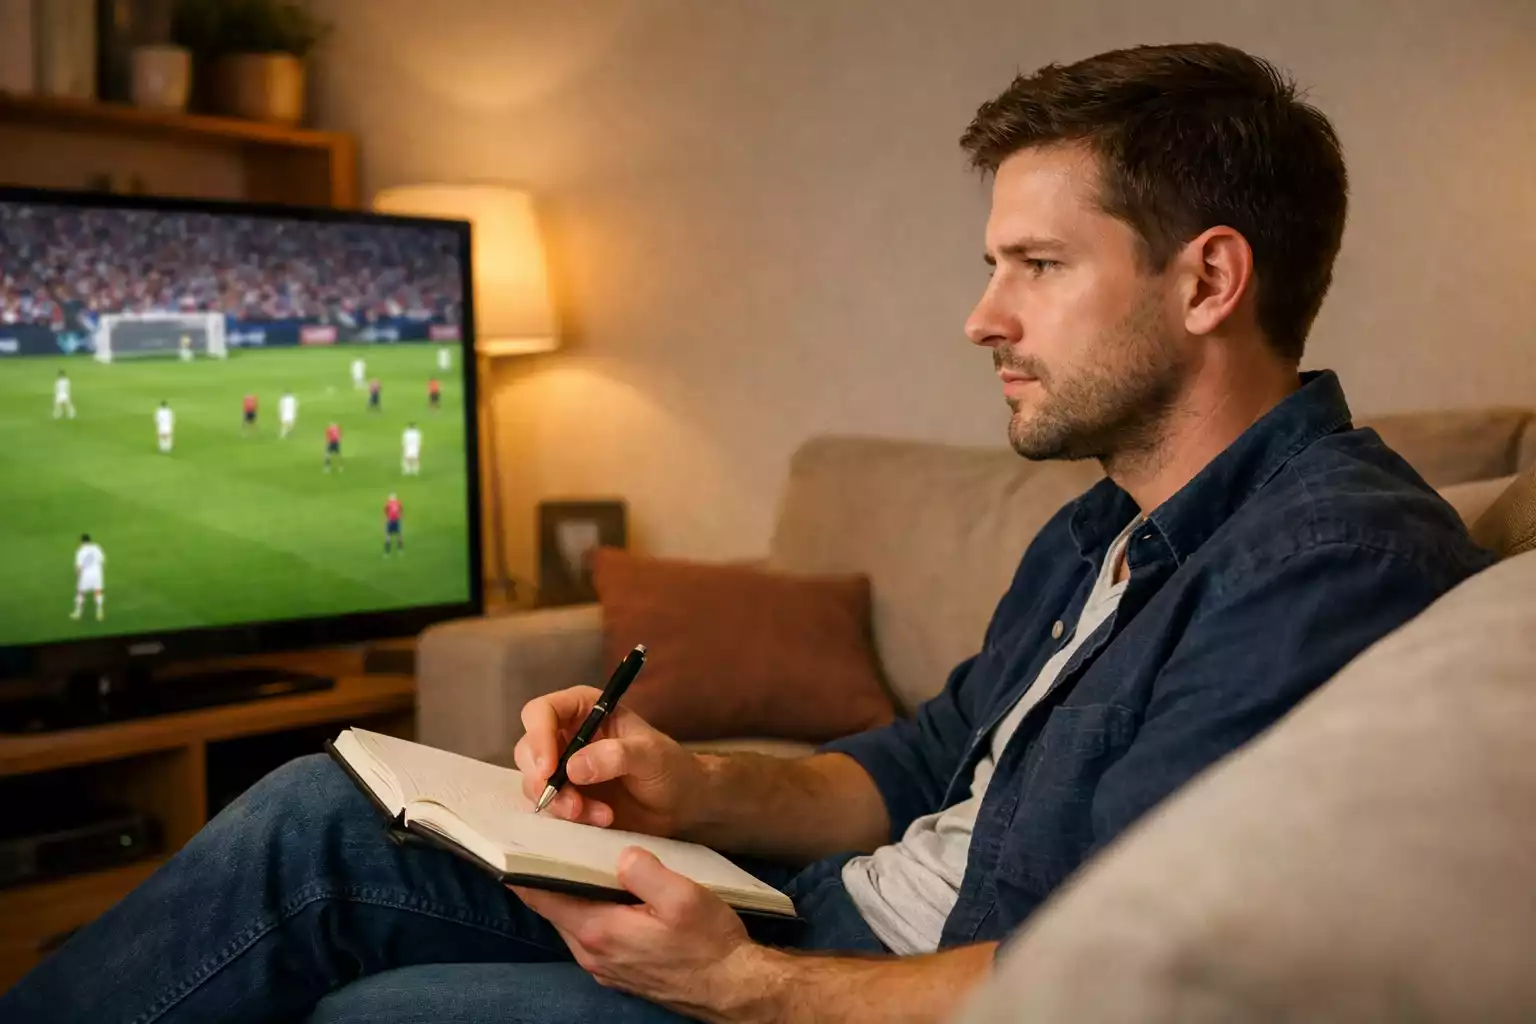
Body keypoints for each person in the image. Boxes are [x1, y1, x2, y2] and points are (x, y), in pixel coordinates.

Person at [0, 43, 1497, 1024]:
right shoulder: (1104, 524)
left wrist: (745, 985)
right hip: (805, 919)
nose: (982, 317)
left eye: (1037, 265)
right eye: (993, 264)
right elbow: (909, 769)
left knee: (373, 1010)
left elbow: (1102, 974)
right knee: (316, 811)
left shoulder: (1328, 562)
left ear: (1210, 279)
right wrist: (688, 780)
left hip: (841, 986)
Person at [69, 534, 105, 622]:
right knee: (98, 591)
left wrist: (77, 575)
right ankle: (99, 611)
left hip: (86, 575)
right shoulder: (97, 547)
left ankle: (78, 612)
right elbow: (101, 561)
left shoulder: (80, 551)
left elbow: (79, 567)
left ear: (81, 541)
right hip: (97, 574)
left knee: (80, 592)